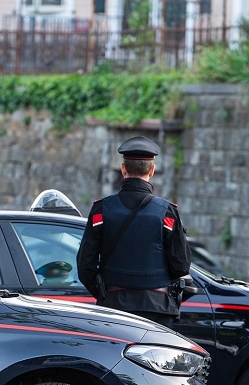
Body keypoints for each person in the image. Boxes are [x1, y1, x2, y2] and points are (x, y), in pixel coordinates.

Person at [76, 136, 191, 327]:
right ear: (152, 171)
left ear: (123, 169)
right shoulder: (167, 213)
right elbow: (181, 266)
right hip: (157, 310)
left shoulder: (101, 210)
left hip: (113, 309)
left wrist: (106, 293)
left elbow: (85, 266)